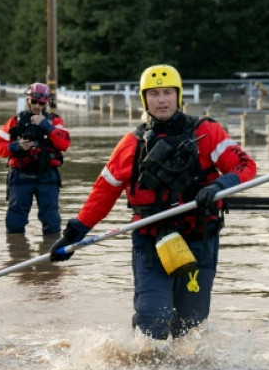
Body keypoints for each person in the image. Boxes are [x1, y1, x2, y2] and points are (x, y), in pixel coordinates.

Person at [50, 64, 256, 340]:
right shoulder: (131, 144)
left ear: (178, 95)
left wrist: (221, 185)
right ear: (144, 99)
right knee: (152, 322)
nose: (162, 100)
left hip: (199, 239)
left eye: (168, 92)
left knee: (190, 328)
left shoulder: (207, 132)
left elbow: (245, 166)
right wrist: (74, 234)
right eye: (155, 93)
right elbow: (103, 192)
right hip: (151, 241)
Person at [0, 83, 71, 236]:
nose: (37, 106)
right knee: (14, 221)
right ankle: (16, 254)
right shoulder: (16, 121)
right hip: (21, 175)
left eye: (41, 103)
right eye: (33, 102)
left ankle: (51, 253)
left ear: (47, 102)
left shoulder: (55, 123)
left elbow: (65, 143)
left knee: (52, 220)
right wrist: (16, 146)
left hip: (47, 175)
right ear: (28, 100)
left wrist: (46, 126)